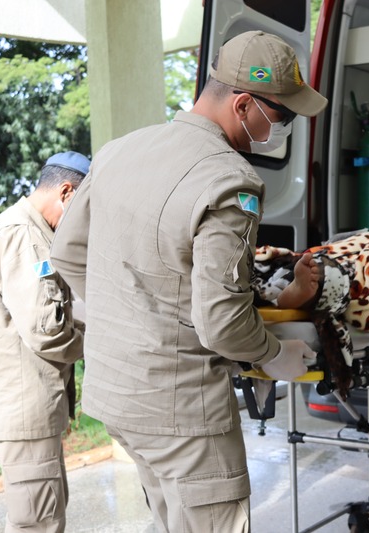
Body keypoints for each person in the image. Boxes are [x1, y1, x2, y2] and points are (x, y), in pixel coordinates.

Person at [49, 31, 328, 532]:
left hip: (117, 394)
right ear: (244, 105)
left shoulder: (119, 151)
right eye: (281, 117)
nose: (281, 128)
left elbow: (68, 251)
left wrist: (130, 319)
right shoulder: (229, 180)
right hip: (183, 410)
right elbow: (221, 322)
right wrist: (272, 353)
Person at [0, 151, 90, 533]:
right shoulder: (24, 236)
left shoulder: (23, 228)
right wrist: (95, 341)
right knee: (38, 522)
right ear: (66, 192)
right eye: (84, 208)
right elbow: (47, 332)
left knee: (44, 512)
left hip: (23, 408)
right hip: (21, 408)